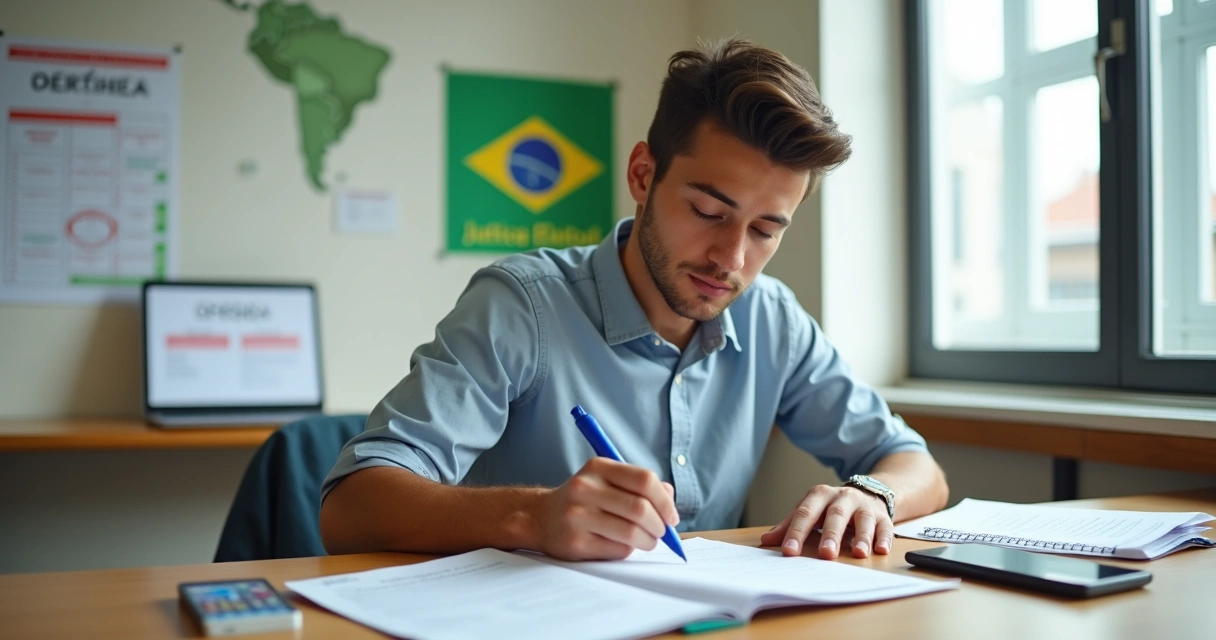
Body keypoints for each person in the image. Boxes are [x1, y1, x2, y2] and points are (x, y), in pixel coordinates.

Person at [319, 38, 948, 563]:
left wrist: (873, 495)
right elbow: (351, 506)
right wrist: (533, 516)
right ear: (643, 175)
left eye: (764, 231)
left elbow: (916, 466)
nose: (731, 259)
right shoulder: (521, 306)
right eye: (708, 211)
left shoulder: (772, 319)